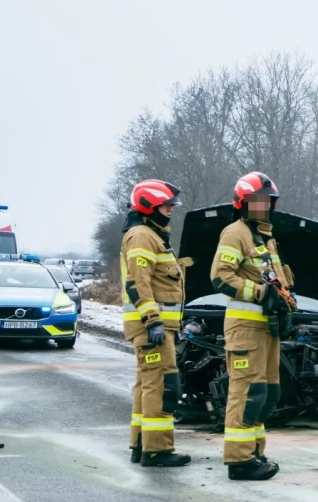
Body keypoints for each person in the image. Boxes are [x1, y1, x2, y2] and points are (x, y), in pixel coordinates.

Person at [210, 171, 295, 481]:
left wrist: (286, 302)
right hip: (245, 327)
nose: (264, 207)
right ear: (243, 203)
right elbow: (221, 277)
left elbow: (278, 281)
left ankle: (254, 452)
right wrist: (261, 293)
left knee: (267, 393)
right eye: (258, 202)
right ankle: (239, 460)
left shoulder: (265, 237)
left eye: (268, 202)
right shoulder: (234, 233)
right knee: (246, 393)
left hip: (267, 328)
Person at [121, 179, 191, 467]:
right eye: (165, 205)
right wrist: (153, 321)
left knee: (147, 386)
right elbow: (139, 282)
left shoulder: (149, 234)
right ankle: (158, 450)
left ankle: (141, 445)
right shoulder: (142, 236)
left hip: (156, 327)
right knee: (163, 386)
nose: (170, 210)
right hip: (152, 327)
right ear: (149, 205)